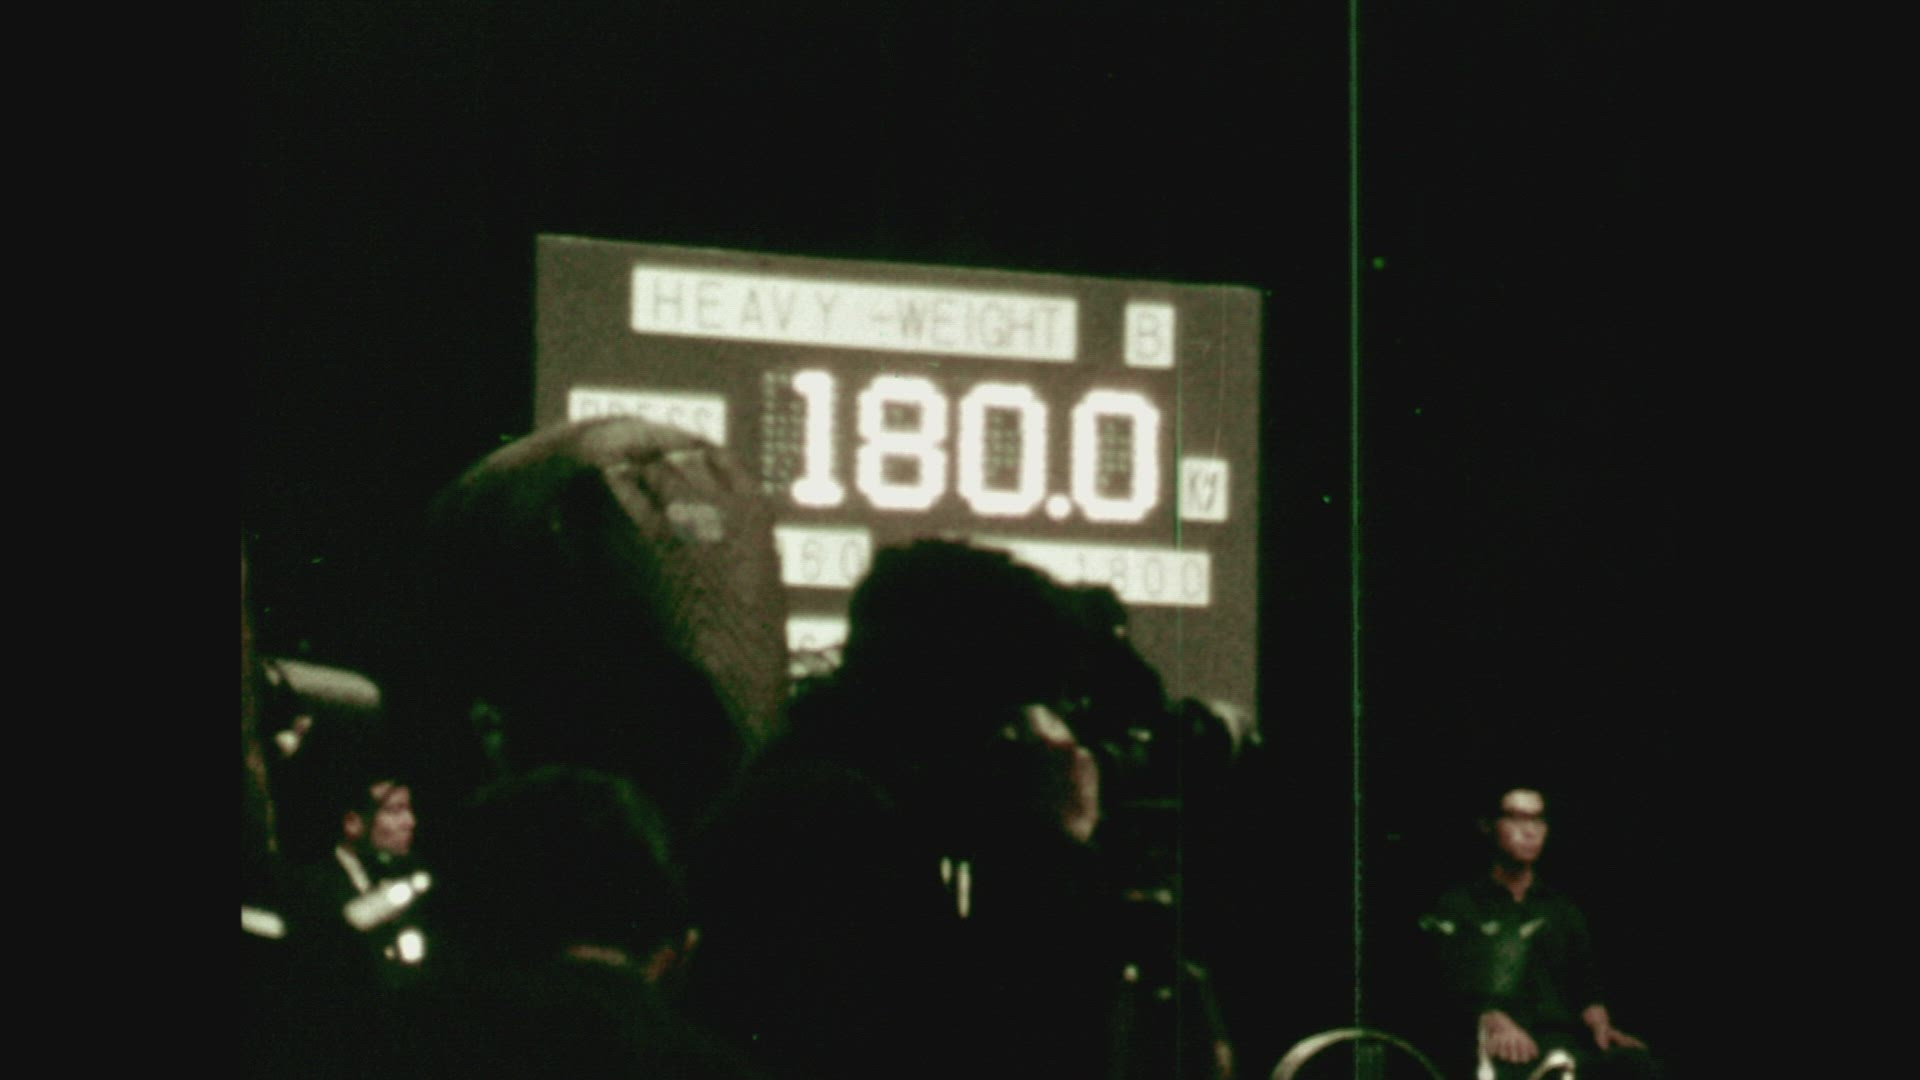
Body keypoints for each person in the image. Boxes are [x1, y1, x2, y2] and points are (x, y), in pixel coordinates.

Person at [1424, 786, 1662, 1080]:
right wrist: (1489, 1018)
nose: (1530, 831)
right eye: (1517, 818)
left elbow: (1587, 989)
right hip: (1497, 1047)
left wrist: (1601, 1025)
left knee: (1636, 1064)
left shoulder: (1561, 909)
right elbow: (1447, 988)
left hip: (1563, 1045)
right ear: (1487, 826)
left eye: (1538, 820)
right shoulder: (1459, 906)